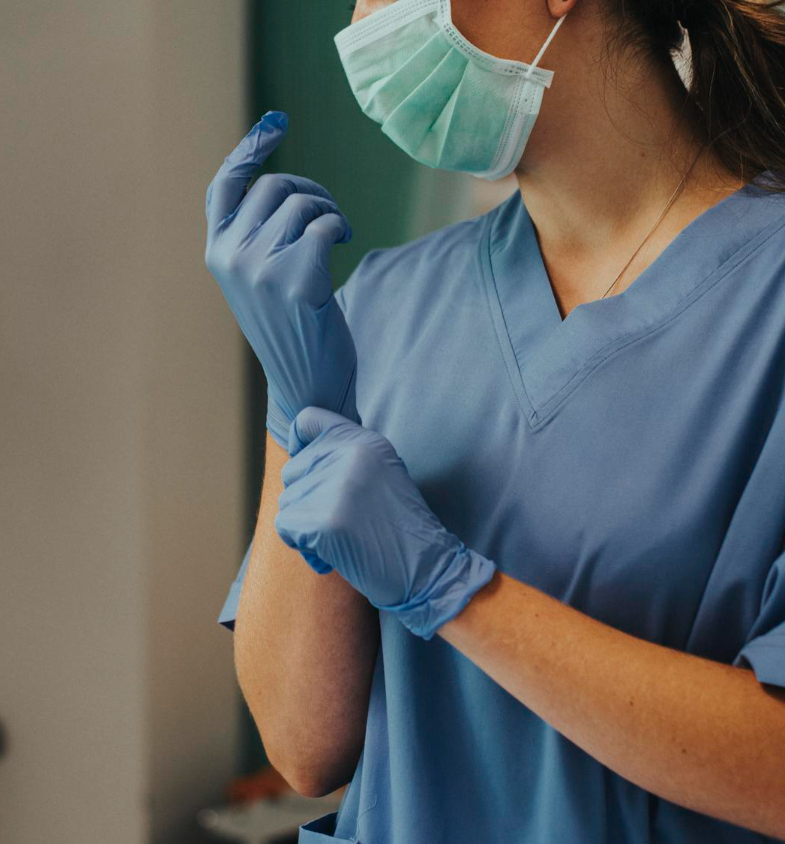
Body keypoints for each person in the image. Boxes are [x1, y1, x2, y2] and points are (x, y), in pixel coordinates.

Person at [205, 0, 785, 841]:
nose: (366, 21)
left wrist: (452, 590)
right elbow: (303, 748)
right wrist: (304, 408)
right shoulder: (377, 308)